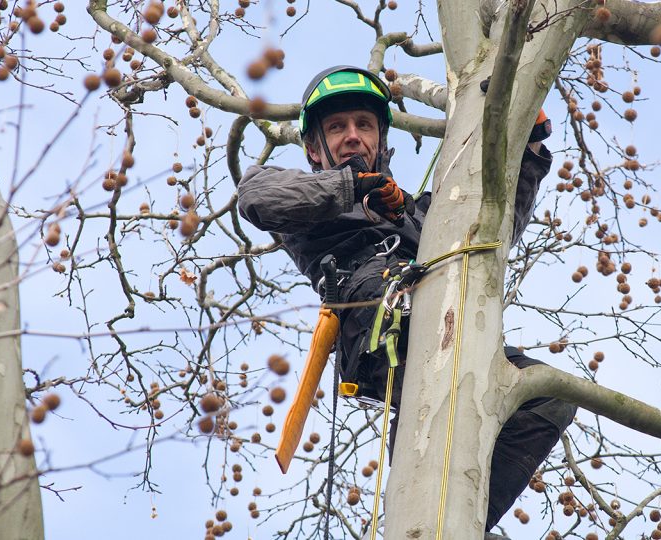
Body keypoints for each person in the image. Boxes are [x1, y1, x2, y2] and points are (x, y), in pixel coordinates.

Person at [237, 66, 576, 533]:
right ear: (314, 148)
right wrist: (356, 186)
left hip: (446, 314)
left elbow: (492, 222)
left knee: (547, 394)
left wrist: (530, 140)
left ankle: (461, 520)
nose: (352, 136)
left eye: (364, 124)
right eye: (337, 127)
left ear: (382, 137)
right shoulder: (309, 198)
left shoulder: (421, 213)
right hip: (378, 314)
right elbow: (259, 197)